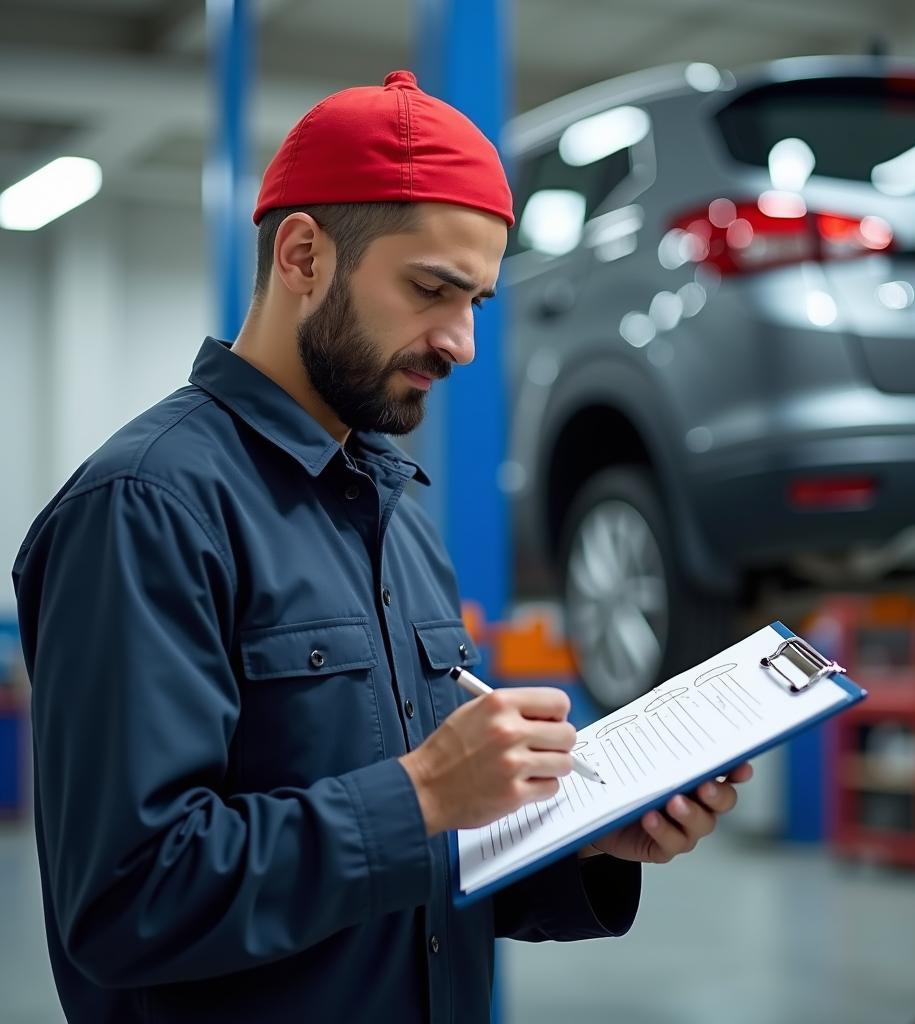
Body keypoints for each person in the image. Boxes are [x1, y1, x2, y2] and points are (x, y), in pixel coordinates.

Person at [12, 70, 752, 1023]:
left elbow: (419, 876)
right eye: (432, 289)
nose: (462, 342)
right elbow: (126, 901)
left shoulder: (397, 517)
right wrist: (418, 797)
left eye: (478, 299)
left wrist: (584, 843)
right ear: (303, 255)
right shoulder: (147, 509)